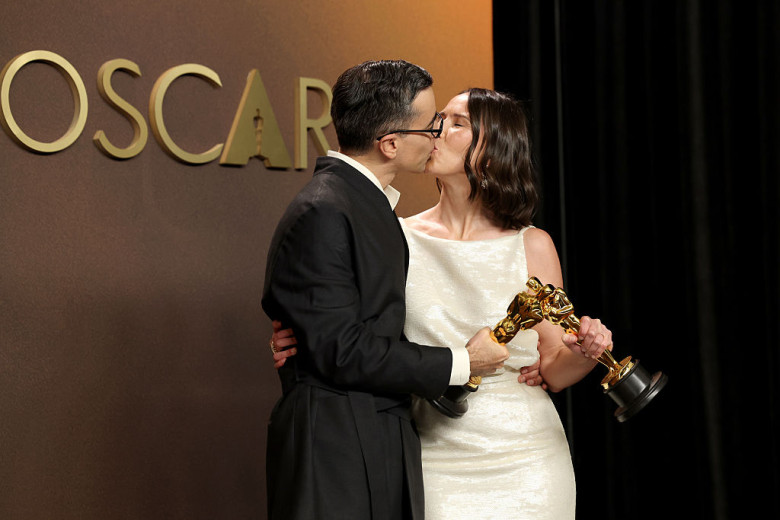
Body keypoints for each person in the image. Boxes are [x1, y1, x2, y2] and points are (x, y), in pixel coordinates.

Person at [271, 87, 614, 519]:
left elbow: (554, 368)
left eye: (457, 123)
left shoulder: (533, 244)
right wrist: (298, 338)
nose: (436, 130)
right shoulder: (396, 236)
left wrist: (585, 351)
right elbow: (346, 335)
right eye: (438, 118)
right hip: (431, 451)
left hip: (528, 459)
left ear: (492, 150)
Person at [261, 61, 510, 520]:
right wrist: (464, 362)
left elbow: (347, 332)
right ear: (391, 143)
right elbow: (341, 350)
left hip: (374, 435)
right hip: (335, 447)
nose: (436, 135)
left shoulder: (361, 204)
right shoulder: (325, 210)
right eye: (431, 125)